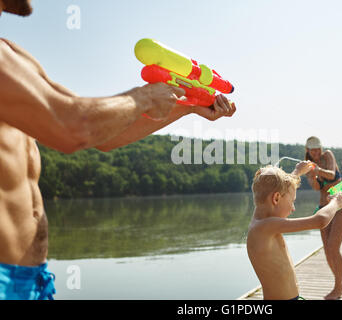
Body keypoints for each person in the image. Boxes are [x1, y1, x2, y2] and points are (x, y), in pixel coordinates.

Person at [0, 0, 236, 300]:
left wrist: (188, 105)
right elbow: (73, 128)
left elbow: (103, 135)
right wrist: (143, 98)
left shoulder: (13, 55)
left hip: (32, 279)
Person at [247, 164, 342, 300]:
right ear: (276, 198)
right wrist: (335, 203)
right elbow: (320, 220)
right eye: (292, 202)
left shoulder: (262, 217)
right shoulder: (266, 226)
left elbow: (278, 189)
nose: (293, 208)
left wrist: (297, 172)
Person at [302, 136, 342, 300]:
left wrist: (319, 171)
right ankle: (340, 282)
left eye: (317, 148)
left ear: (321, 148)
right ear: (307, 150)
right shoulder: (308, 166)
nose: (315, 152)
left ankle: (337, 288)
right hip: (323, 207)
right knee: (327, 250)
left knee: (333, 247)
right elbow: (317, 187)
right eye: (312, 150)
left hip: (340, 206)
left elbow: (331, 175)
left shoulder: (328, 155)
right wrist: (313, 176)